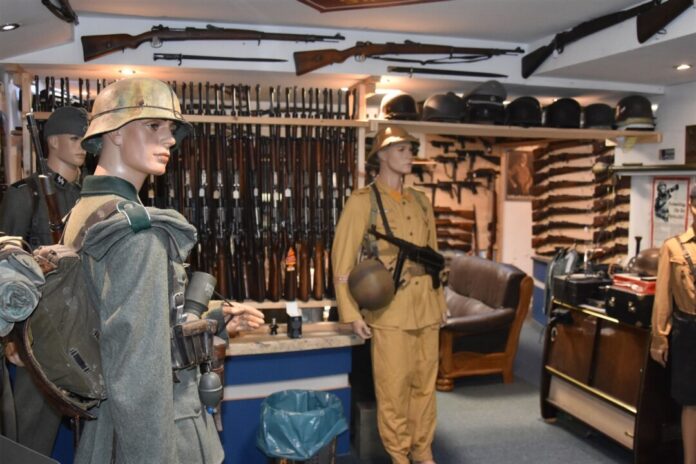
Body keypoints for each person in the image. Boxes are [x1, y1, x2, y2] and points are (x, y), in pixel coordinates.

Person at [61, 77, 264, 463]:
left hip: (108, 428)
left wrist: (213, 320)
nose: (169, 139)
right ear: (114, 132)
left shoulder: (87, 212)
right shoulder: (136, 233)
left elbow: (124, 326)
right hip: (158, 434)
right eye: (153, 125)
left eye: (171, 129)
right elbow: (140, 374)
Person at [332, 126, 446, 464]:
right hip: (389, 310)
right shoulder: (362, 202)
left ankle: (423, 451)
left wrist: (440, 302)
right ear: (381, 155)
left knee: (425, 387)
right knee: (393, 389)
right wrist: (351, 313)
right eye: (401, 149)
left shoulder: (421, 201)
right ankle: (399, 455)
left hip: (426, 307)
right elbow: (342, 262)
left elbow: (435, 259)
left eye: (411, 149)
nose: (410, 155)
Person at [0, 105, 88, 456]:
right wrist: (12, 339)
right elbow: (6, 270)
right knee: (31, 438)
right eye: (75, 138)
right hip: (36, 334)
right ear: (52, 142)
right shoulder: (25, 195)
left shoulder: (90, 195)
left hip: (83, 331)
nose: (83, 146)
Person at [651, 185, 696, 464]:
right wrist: (660, 338)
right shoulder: (673, 247)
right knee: (691, 402)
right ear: (692, 206)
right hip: (689, 331)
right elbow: (663, 298)